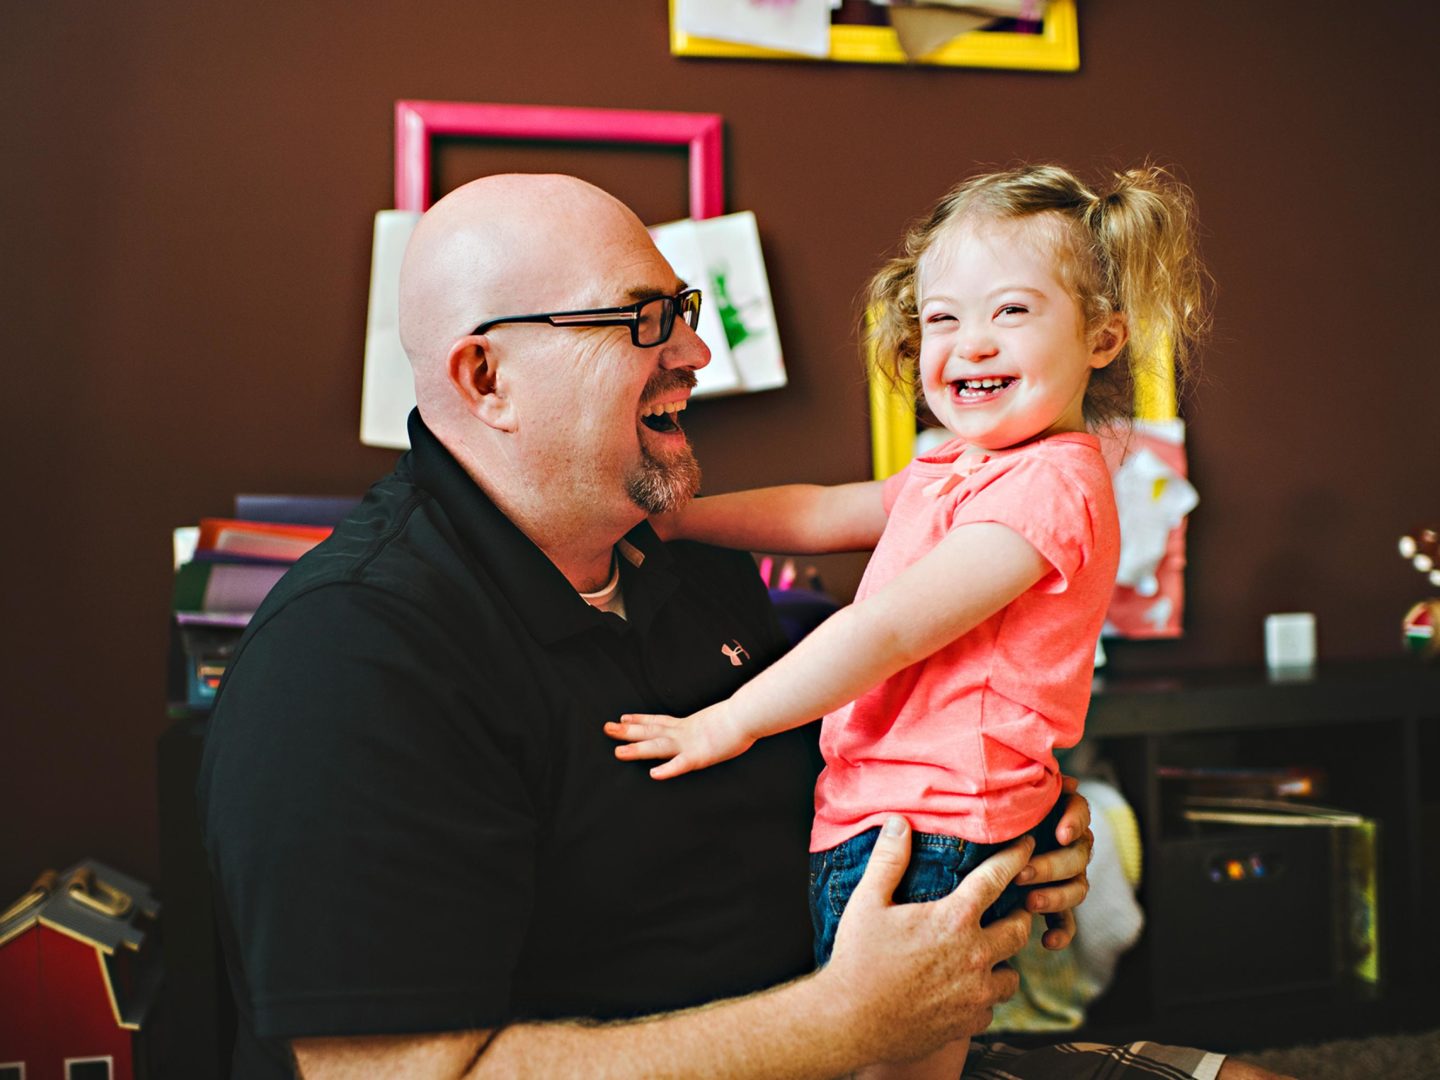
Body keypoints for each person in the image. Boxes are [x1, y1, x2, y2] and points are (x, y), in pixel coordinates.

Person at [198, 171, 1281, 1079]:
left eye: (684, 313)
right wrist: (843, 1020)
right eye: (640, 322)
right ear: (489, 378)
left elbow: (877, 722)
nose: (693, 357)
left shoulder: (676, 563)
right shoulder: (353, 657)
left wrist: (1024, 829)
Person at [606, 164, 1209, 1079]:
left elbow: (885, 631)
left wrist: (728, 721)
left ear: (1101, 336)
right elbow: (820, 513)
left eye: (1011, 312)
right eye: (942, 318)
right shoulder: (957, 466)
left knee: (891, 1062)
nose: (969, 344)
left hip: (934, 825)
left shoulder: (1052, 485)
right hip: (885, 807)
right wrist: (680, 516)